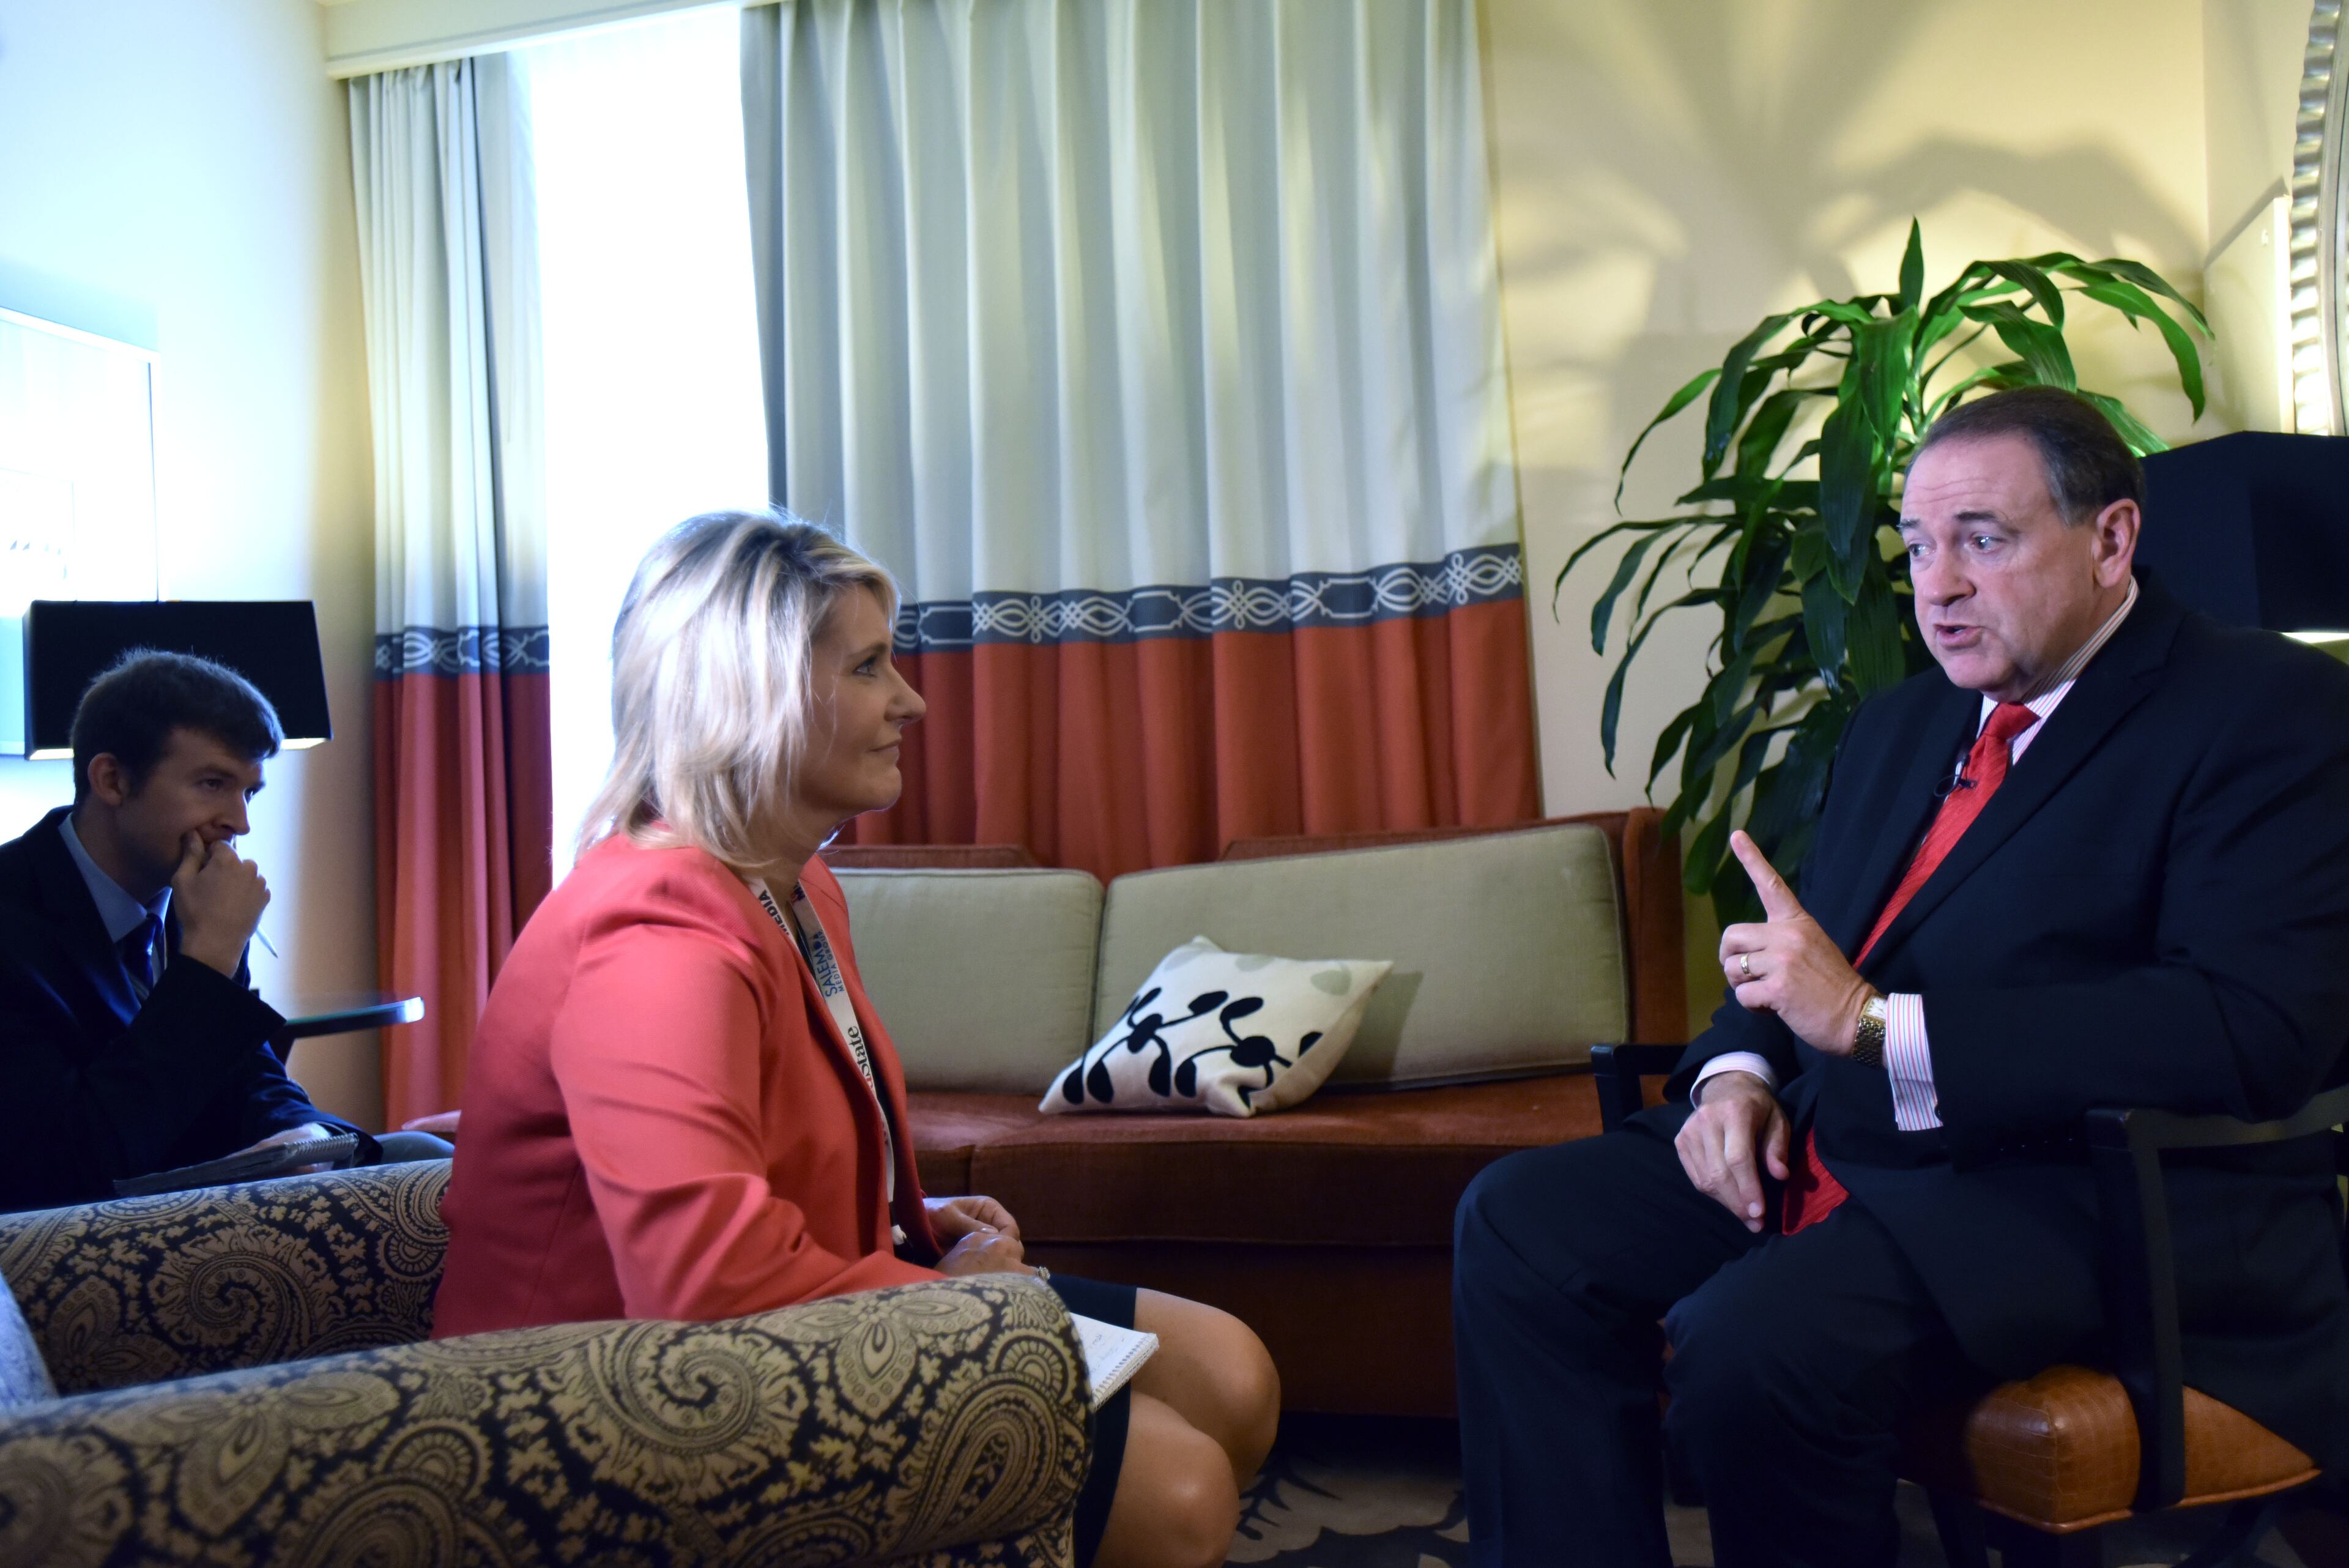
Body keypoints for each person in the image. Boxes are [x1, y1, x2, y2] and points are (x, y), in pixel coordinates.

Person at [1452, 386, 2349, 1567]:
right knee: (1520, 1223)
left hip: (2074, 1193)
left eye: (1984, 537)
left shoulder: (2268, 709)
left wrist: (1878, 1027)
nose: (1937, 584)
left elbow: (2249, 1026)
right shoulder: (1902, 726)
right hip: (1844, 1152)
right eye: (1919, 545)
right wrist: (1733, 1076)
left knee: (1756, 1342)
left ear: (2113, 537)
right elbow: (1805, 950)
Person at [433, 513, 1279, 1568]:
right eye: (872, 666)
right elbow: (704, 1282)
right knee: (1182, 1489)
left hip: (782, 1315)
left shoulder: (795, 879)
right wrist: (959, 1302)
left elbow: (771, 1149)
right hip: (608, 1391)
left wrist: (912, 1217)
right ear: (758, 693)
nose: (911, 701)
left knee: (1235, 1371)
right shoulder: (656, 937)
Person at [0, 650, 451, 1213]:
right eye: (212, 783)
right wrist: (208, 963)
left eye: (249, 791)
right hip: (75, 1229)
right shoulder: (15, 919)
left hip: (199, 1192)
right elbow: (68, 1162)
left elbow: (251, 1073)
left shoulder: (187, 895)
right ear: (112, 779)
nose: (240, 822)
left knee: (428, 1159)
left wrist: (305, 1133)